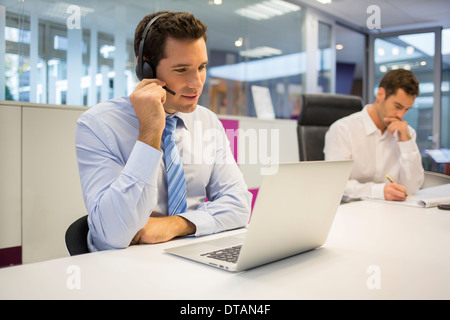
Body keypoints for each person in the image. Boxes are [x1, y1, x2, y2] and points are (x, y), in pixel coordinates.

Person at [75, 11, 252, 252]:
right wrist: (150, 132)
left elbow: (240, 204)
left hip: (191, 256)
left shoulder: (207, 121)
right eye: (182, 70)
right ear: (145, 68)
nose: (197, 83)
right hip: (122, 270)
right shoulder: (98, 125)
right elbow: (112, 234)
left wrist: (176, 225)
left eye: (201, 67)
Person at [324, 69, 424, 202]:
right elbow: (335, 185)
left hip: (392, 211)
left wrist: (406, 142)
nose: (401, 115)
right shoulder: (343, 130)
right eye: (397, 106)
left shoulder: (406, 133)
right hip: (352, 213)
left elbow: (412, 188)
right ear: (380, 94)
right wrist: (379, 191)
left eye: (406, 109)